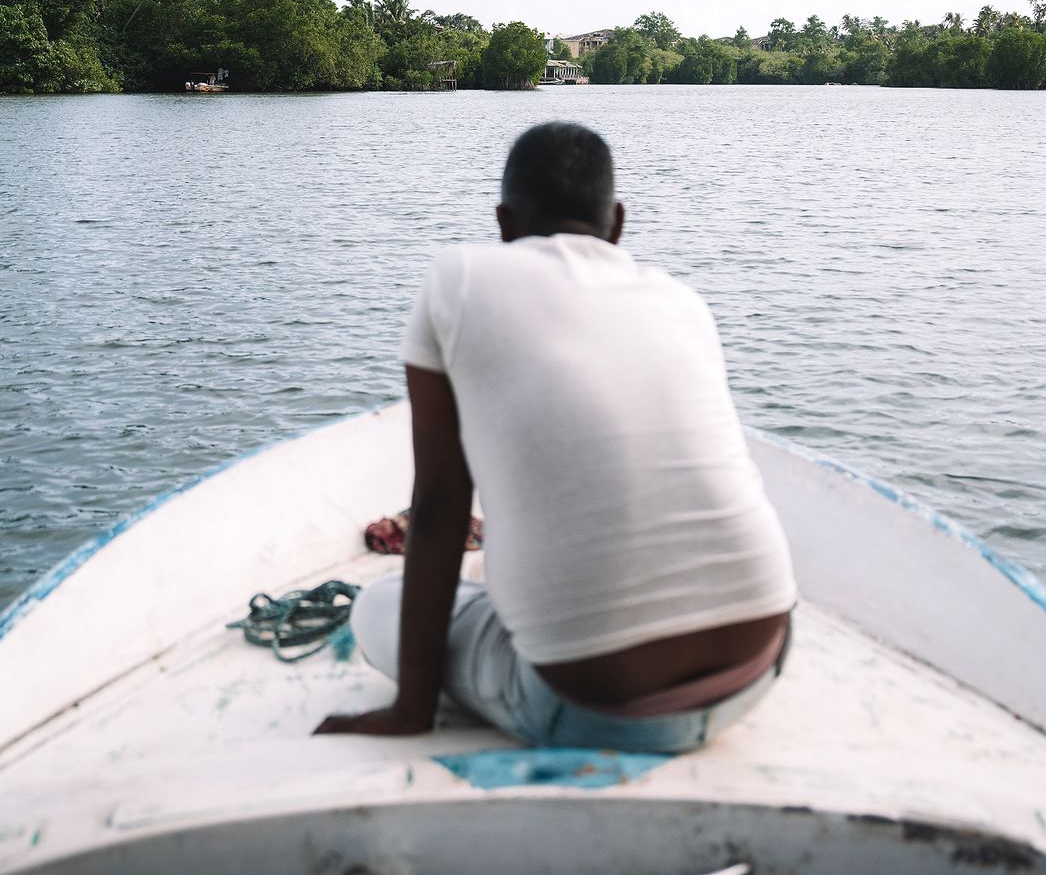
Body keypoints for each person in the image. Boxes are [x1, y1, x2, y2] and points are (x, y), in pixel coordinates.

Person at [315, 122, 796, 753]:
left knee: (377, 606)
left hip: (590, 707)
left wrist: (412, 709)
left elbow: (439, 506)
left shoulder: (456, 279)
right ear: (617, 223)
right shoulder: (683, 301)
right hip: (758, 666)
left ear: (504, 223)